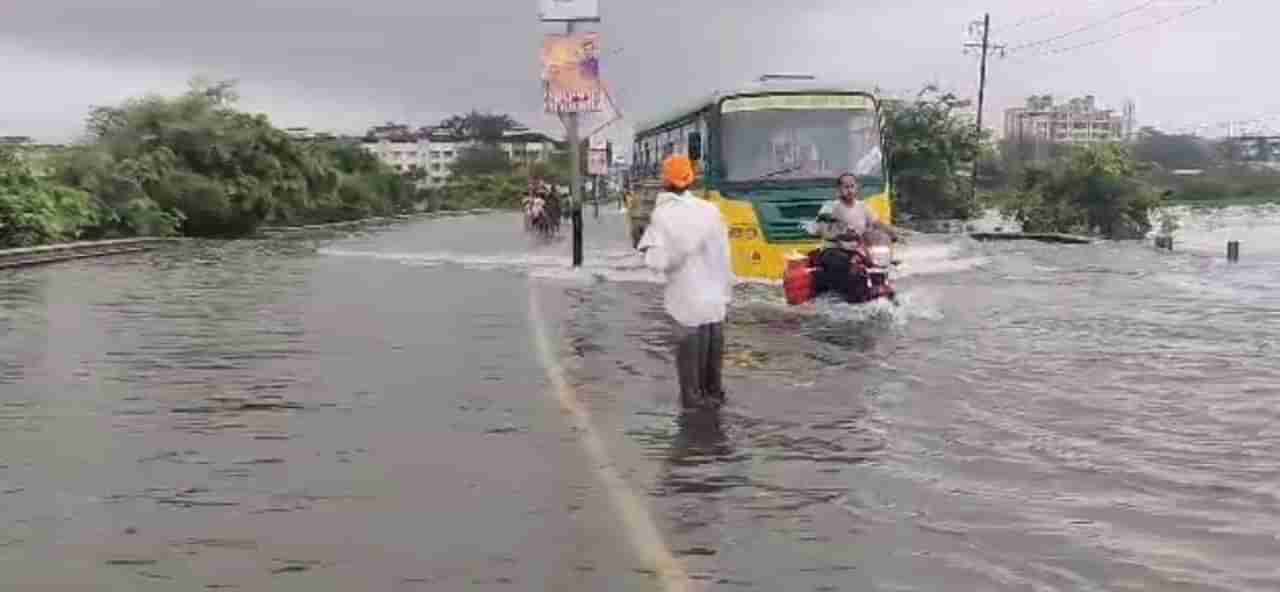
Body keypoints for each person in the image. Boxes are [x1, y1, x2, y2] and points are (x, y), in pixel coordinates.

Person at [637, 155, 735, 411]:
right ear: (691, 179)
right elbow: (724, 253)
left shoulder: (664, 214)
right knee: (713, 354)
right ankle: (714, 398)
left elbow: (660, 261)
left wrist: (648, 250)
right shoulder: (710, 210)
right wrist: (725, 289)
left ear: (665, 180)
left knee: (690, 381)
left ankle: (695, 415)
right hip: (714, 297)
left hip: (687, 298)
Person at [802, 172, 903, 300]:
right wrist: (839, 234)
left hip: (859, 251)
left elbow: (877, 223)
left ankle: (881, 292)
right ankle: (849, 297)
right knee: (848, 265)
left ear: (857, 188)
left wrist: (892, 233)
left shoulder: (863, 207)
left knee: (881, 264)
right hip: (834, 250)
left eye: (852, 186)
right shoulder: (830, 207)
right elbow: (821, 227)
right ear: (839, 189)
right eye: (846, 187)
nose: (849, 190)